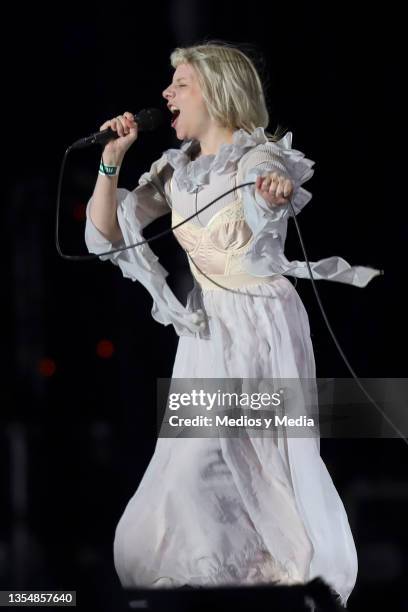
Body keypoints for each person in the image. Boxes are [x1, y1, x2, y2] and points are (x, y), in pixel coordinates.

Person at [84, 42, 381, 608]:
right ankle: (235, 582)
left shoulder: (256, 161)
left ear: (217, 92)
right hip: (207, 334)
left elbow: (270, 203)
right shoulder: (174, 171)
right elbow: (107, 232)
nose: (166, 94)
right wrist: (111, 160)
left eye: (181, 84)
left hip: (260, 330)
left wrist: (276, 195)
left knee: (257, 463)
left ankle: (289, 578)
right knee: (193, 469)